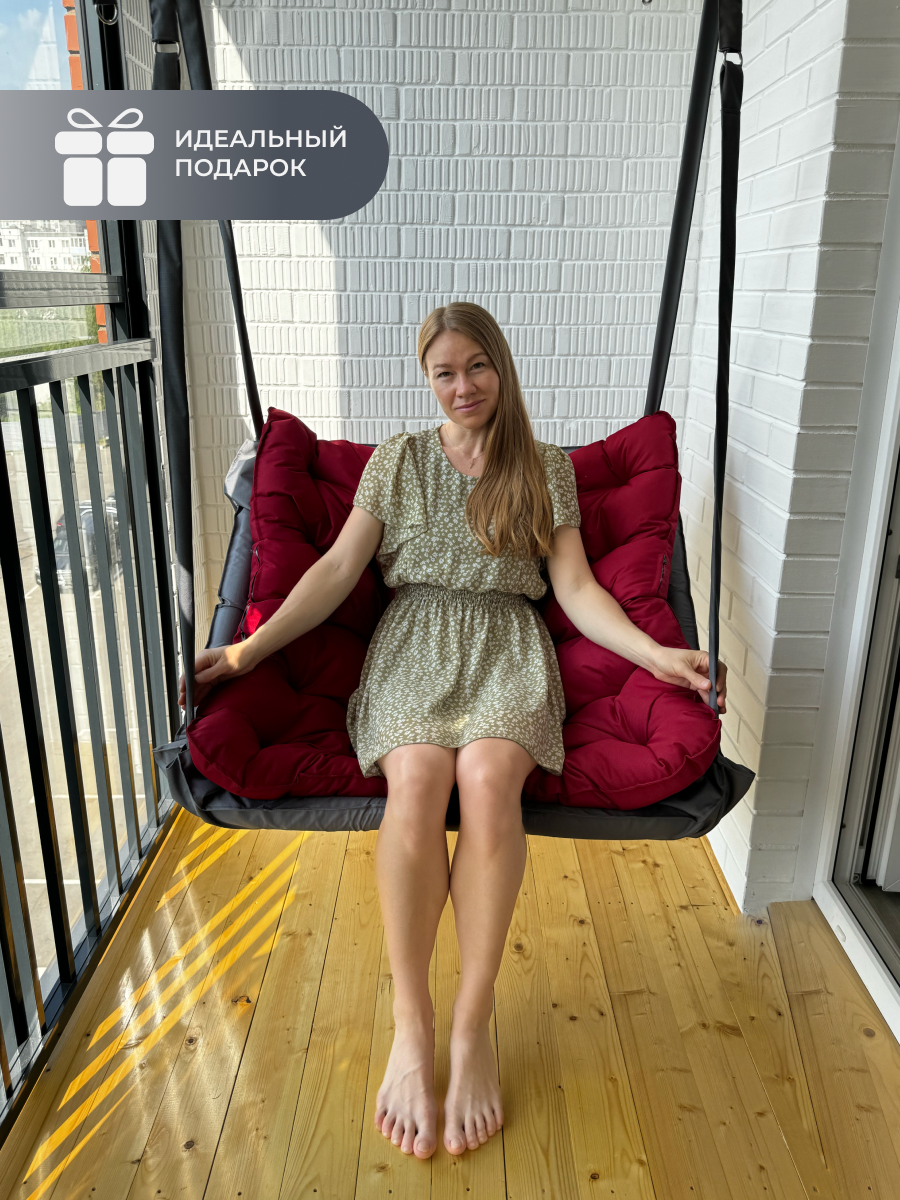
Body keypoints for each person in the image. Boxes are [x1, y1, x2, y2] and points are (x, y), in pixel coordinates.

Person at [181, 302, 727, 1162]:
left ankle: (471, 1026)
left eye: (477, 366)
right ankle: (414, 1023)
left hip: (508, 647)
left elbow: (577, 589)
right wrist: (248, 650)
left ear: (500, 368)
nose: (463, 385)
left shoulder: (542, 468)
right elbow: (336, 569)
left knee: (487, 780)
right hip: (413, 648)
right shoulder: (398, 461)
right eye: (445, 371)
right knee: (418, 782)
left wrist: (656, 655)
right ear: (427, 379)